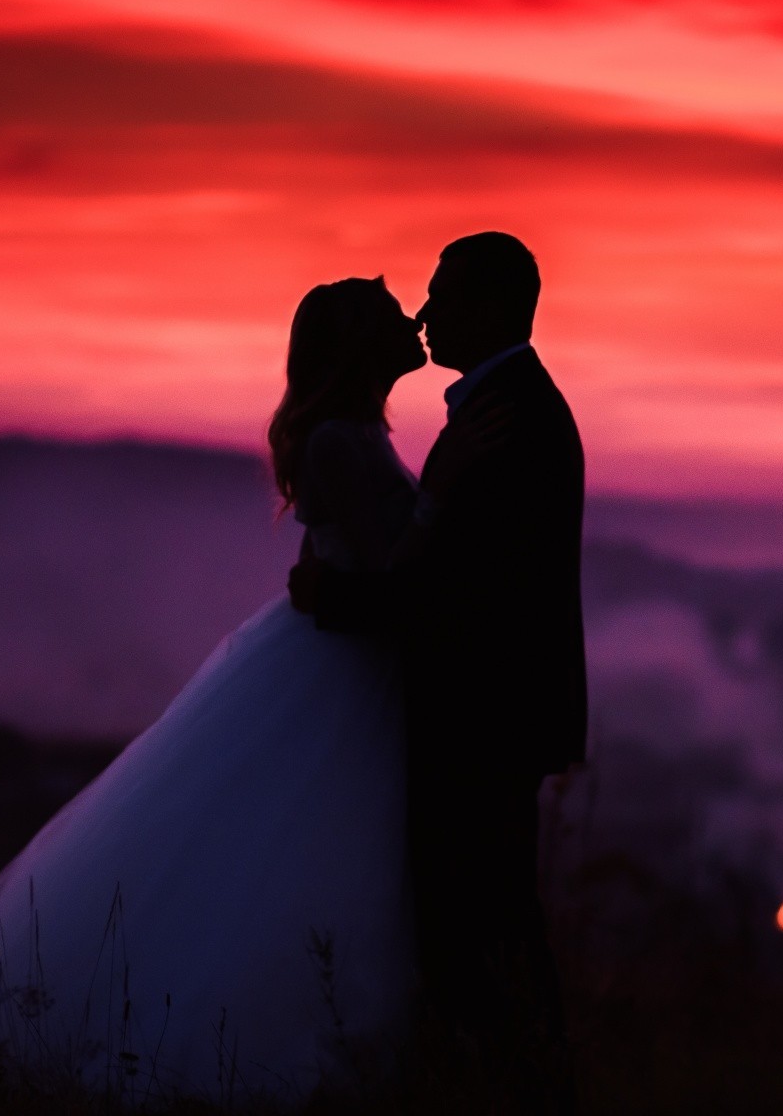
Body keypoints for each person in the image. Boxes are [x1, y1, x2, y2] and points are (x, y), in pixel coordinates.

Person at [0, 276, 452, 1107]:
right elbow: (394, 563)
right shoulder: (343, 439)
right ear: (351, 345)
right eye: (385, 314)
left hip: (345, 661)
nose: (408, 319)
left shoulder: (358, 434)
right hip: (338, 668)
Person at [290, 230, 586, 1112]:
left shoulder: (507, 421)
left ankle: (519, 1084)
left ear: (490, 309)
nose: (424, 314)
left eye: (442, 297)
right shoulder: (503, 410)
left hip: (482, 717)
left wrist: (330, 600)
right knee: (482, 922)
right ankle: (511, 1080)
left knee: (480, 926)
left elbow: (454, 596)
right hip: (485, 712)